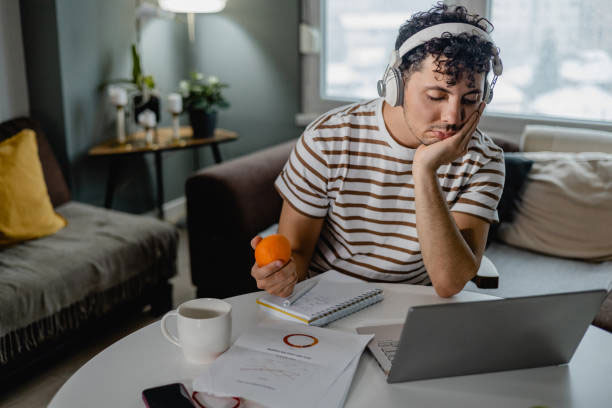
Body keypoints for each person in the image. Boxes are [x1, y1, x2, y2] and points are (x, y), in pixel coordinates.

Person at [251, 3, 505, 298]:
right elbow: (298, 253)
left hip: (413, 306)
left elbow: (449, 282)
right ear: (395, 84)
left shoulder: (483, 160)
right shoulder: (328, 139)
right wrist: (281, 274)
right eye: (437, 95)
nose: (453, 117)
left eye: (471, 99)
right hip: (327, 301)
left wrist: (424, 171)